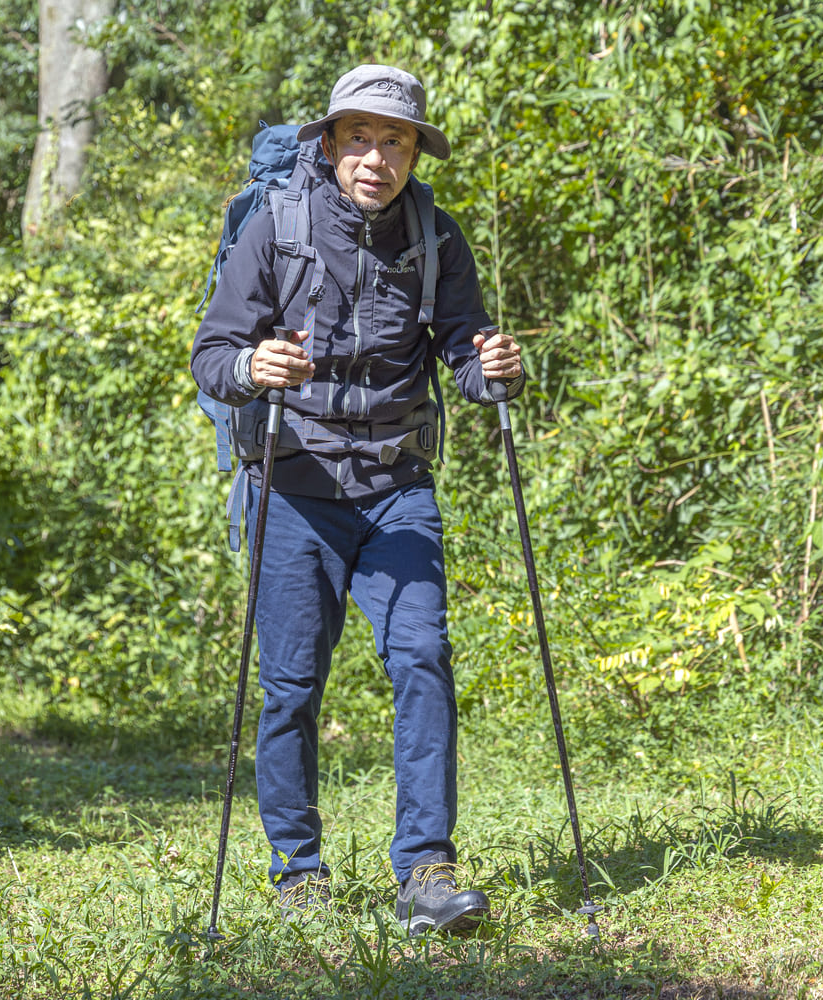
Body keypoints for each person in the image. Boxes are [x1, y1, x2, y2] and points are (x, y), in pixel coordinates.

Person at [190, 64, 523, 934]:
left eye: (397, 140)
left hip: (395, 488)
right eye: (361, 138)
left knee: (423, 658)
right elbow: (212, 355)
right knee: (292, 687)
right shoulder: (276, 225)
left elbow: (462, 347)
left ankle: (426, 872)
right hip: (293, 487)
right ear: (331, 141)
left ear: (415, 152)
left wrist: (491, 373)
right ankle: (297, 871)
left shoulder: (435, 236)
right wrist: (251, 368)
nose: (377, 157)